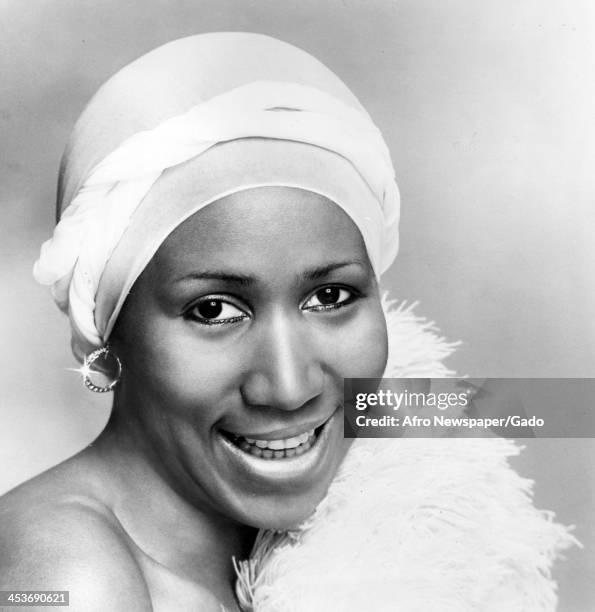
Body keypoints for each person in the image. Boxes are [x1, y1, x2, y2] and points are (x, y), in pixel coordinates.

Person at [0, 33, 575, 612]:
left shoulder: (355, 455)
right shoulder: (69, 578)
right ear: (107, 328)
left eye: (329, 295)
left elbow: (542, 407)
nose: (290, 386)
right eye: (214, 310)